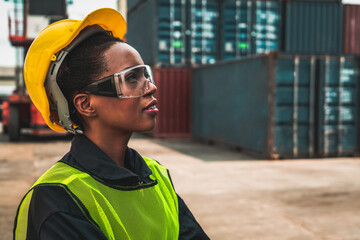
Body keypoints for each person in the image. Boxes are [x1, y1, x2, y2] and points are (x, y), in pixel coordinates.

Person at [13, 8, 209, 240]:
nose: (151, 87)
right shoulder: (57, 199)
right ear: (86, 104)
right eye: (131, 78)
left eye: (146, 75)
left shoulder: (156, 176)